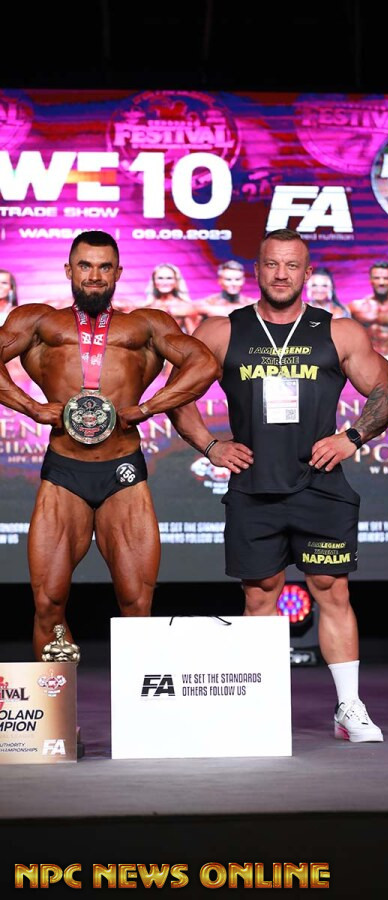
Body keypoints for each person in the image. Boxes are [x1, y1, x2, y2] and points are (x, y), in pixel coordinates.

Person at [170, 228, 388, 742]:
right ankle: (256, 708)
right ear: (256, 270)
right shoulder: (221, 331)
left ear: (307, 273)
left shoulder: (338, 331)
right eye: (271, 264)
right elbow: (177, 394)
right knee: (260, 597)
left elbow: (387, 389)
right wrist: (211, 446)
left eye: (292, 265)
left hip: (320, 485)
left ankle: (349, 708)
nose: (281, 274)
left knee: (331, 590)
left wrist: (353, 436)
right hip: (254, 488)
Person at [0, 230, 218, 659]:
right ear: (69, 270)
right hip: (64, 471)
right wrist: (31, 407)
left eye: (104, 267)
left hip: (123, 472)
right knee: (48, 603)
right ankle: (56, 702)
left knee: (137, 604)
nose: (95, 276)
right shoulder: (38, 322)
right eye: (85, 265)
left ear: (118, 273)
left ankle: (137, 701)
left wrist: (149, 407)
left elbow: (204, 363)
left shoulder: (148, 324)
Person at [142, 263, 200, 333]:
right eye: (160, 278)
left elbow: (193, 336)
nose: (164, 282)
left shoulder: (186, 307)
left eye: (169, 278)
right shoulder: (146, 307)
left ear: (176, 282)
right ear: (154, 282)